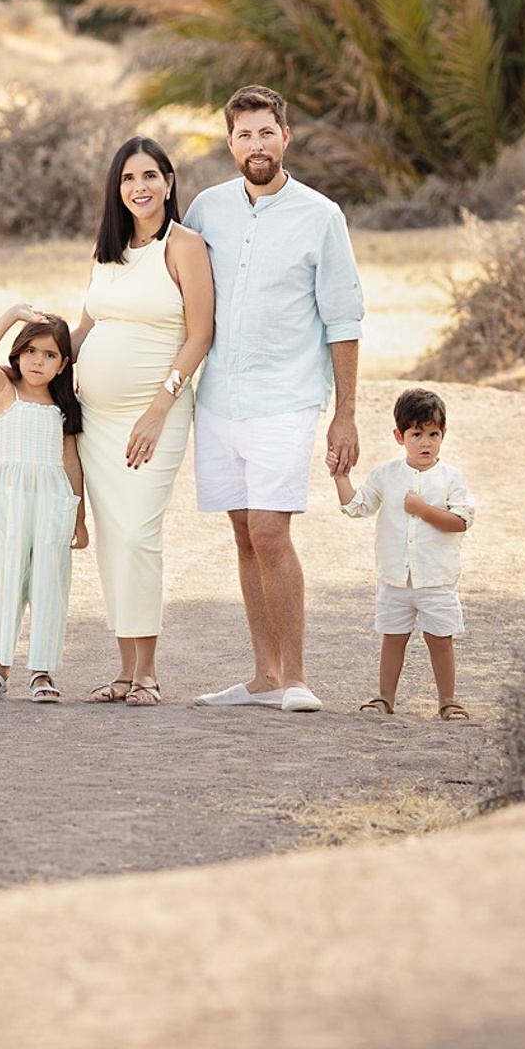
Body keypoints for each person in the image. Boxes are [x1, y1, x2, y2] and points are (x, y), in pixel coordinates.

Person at [183, 84, 364, 713]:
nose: (255, 146)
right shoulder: (206, 210)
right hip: (218, 400)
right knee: (242, 533)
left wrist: (345, 413)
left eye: (266, 133)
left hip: (286, 399)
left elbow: (343, 318)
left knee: (269, 532)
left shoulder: (322, 216)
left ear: (286, 137)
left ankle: (296, 678)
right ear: (229, 143)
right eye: (243, 135)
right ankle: (262, 677)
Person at [74, 136, 215, 705]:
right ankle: (123, 671)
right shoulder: (105, 251)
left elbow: (200, 333)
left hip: (155, 413)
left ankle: (149, 671)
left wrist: (159, 407)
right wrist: (23, 370)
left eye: (151, 176)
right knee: (113, 541)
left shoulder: (184, 246)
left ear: (169, 180)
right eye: (130, 178)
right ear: (118, 187)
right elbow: (83, 331)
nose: (140, 187)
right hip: (95, 419)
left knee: (138, 532)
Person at [0, 307, 88, 702]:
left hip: (52, 501)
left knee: (50, 583)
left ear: (63, 363)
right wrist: (12, 314)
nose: (38, 361)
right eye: (31, 351)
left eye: (50, 355)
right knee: (6, 580)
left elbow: (71, 462)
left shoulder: (62, 406)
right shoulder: (4, 392)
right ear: (17, 353)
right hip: (11, 501)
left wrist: (79, 518)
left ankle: (42, 673)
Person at [337, 386, 476, 719]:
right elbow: (357, 507)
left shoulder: (451, 478)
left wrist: (422, 509)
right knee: (393, 639)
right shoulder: (386, 475)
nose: (425, 443)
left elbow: (460, 521)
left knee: (440, 640)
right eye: (416, 434)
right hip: (395, 579)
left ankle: (448, 701)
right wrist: (341, 476)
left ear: (443, 434)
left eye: (432, 434)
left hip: (436, 579)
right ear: (399, 436)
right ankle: (385, 698)